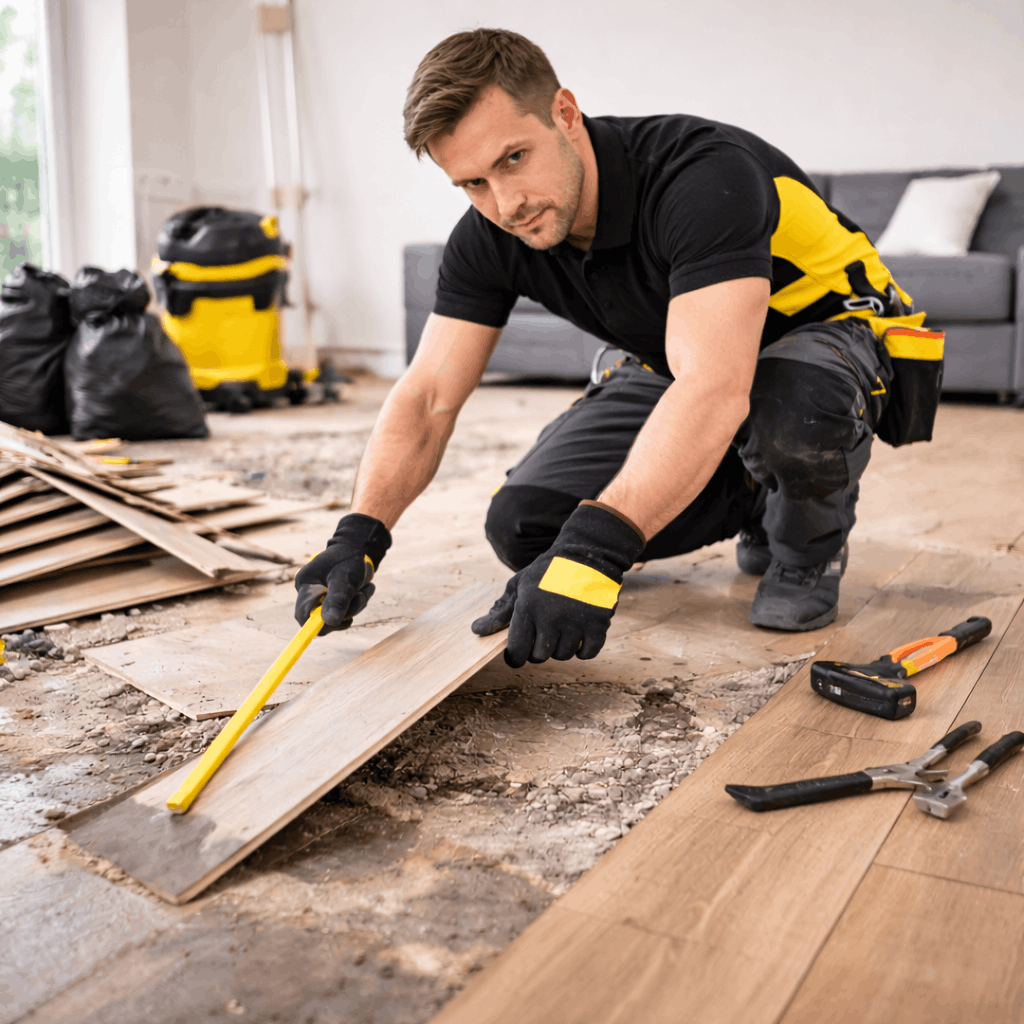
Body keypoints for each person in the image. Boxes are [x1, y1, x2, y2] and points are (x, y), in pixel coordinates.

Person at [295, 28, 931, 669]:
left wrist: (599, 548)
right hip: (680, 362)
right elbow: (429, 395)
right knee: (527, 525)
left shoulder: (702, 177)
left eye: (514, 158)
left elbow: (714, 385)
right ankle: (757, 491)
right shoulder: (489, 237)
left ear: (565, 114)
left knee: (791, 407)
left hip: (826, 338)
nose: (506, 204)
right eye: (472, 184)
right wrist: (360, 534)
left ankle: (805, 549)